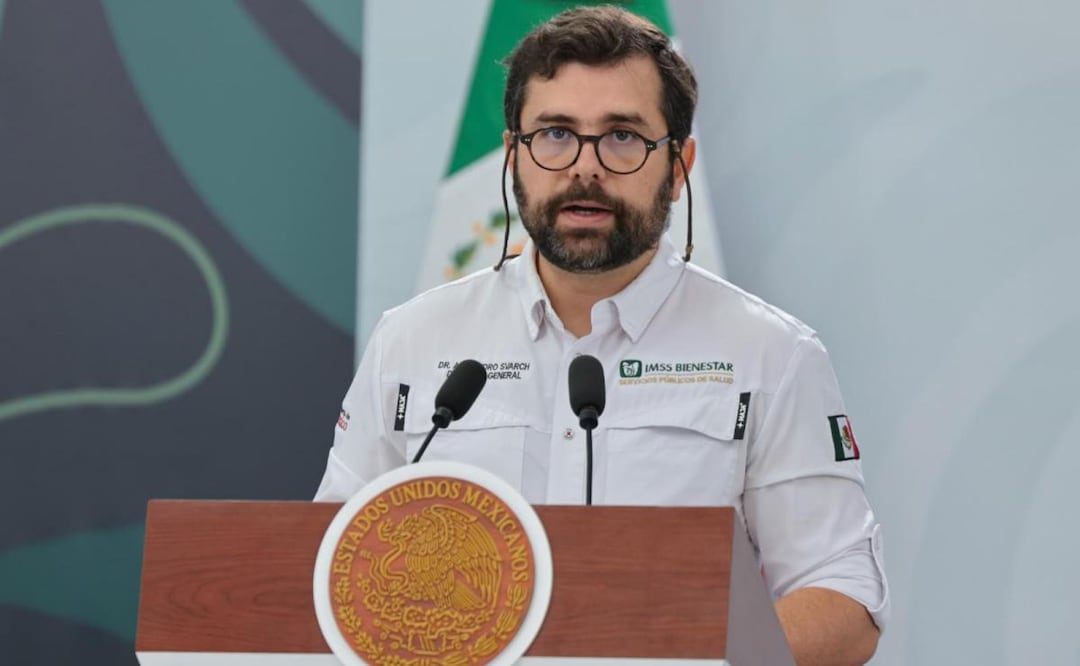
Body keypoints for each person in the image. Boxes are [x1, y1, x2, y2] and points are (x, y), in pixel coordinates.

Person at [315, 5, 888, 664]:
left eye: (622, 137)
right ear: (512, 158)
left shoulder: (772, 355)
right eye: (555, 133)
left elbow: (843, 598)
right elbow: (329, 568)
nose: (584, 167)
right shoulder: (412, 342)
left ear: (677, 165)